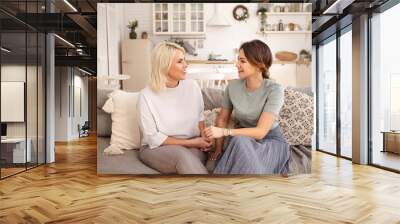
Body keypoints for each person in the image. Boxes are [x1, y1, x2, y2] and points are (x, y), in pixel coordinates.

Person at [204, 40, 290, 175]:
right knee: (240, 141)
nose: (237, 65)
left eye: (242, 61)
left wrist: (225, 132)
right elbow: (222, 119)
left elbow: (261, 132)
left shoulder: (274, 89)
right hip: (242, 140)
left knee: (239, 141)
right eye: (238, 60)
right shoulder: (232, 87)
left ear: (259, 65)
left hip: (270, 141)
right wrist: (218, 149)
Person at [137, 41, 211, 174]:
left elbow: (200, 119)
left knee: (189, 159)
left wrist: (204, 138)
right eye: (180, 61)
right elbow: (152, 137)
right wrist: (193, 143)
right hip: (157, 148)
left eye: (185, 61)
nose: (186, 65)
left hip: (192, 145)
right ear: (164, 65)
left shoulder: (192, 87)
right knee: (182, 156)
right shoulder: (146, 95)